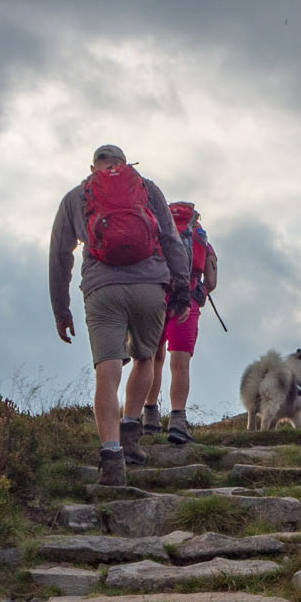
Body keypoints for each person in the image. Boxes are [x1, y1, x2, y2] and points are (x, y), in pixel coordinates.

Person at [48, 144, 192, 487]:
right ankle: (131, 432)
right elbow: (171, 239)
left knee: (108, 369)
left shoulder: (76, 196)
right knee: (145, 358)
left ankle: (112, 459)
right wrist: (182, 288)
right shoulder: (147, 188)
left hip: (102, 289)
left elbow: (59, 254)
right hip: (149, 287)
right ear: (125, 165)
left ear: (93, 166)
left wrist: (60, 308)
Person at [142, 201, 219, 445]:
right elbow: (212, 281)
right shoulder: (202, 241)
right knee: (180, 363)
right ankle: (177, 420)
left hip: (157, 297)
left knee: (153, 357)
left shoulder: (160, 234)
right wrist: (199, 292)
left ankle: (149, 416)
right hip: (188, 301)